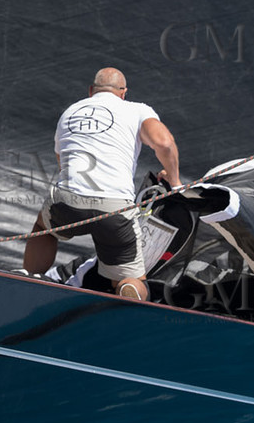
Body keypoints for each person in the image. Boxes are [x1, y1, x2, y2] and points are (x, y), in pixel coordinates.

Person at [23, 67, 181, 299]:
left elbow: (63, 160)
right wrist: (175, 182)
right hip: (115, 207)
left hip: (68, 201)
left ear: (91, 91)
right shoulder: (137, 110)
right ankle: (128, 295)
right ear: (123, 93)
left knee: (43, 230)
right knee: (131, 279)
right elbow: (164, 144)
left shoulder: (71, 111)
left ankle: (25, 279)